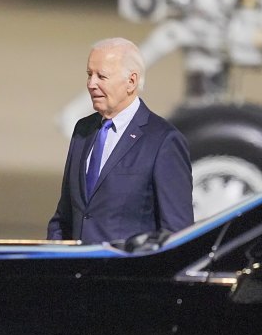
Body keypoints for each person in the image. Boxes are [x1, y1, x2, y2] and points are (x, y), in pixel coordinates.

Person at [47, 37, 193, 244]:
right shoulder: (83, 130)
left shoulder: (163, 141)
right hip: (77, 272)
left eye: (101, 76)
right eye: (89, 75)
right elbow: (64, 218)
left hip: (126, 274)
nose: (91, 84)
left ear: (131, 81)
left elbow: (178, 234)